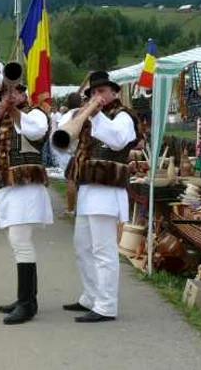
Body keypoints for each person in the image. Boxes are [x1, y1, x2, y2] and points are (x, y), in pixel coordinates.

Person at [64, 71, 140, 322]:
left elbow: (118, 141)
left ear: (114, 92)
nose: (98, 96)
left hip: (107, 189)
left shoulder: (123, 116)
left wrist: (95, 115)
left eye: (102, 91)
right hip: (87, 189)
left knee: (103, 250)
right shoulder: (89, 119)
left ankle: (106, 305)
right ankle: (90, 296)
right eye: (94, 93)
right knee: (82, 247)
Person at [0, 80, 53, 325]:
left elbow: (36, 132)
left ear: (23, 94)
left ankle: (27, 303)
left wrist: (15, 111)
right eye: (5, 93)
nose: (9, 96)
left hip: (26, 189)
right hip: (8, 189)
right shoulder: (1, 121)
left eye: (14, 92)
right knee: (17, 242)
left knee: (21, 242)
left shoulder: (36, 113)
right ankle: (26, 299)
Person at [54, 93, 84, 216]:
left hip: (73, 152)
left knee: (71, 180)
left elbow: (60, 131)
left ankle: (71, 209)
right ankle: (77, 209)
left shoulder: (66, 116)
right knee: (80, 182)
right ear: (81, 102)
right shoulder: (84, 112)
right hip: (82, 151)